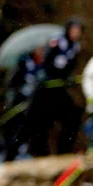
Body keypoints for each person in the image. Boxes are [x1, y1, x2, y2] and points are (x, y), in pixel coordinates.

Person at [6, 18, 85, 161]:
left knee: (73, 115)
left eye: (78, 31)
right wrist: (48, 75)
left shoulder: (75, 47)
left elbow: (69, 66)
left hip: (57, 89)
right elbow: (47, 63)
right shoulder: (56, 42)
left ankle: (63, 153)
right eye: (74, 30)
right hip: (44, 90)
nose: (75, 33)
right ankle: (10, 155)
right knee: (29, 123)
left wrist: (68, 78)